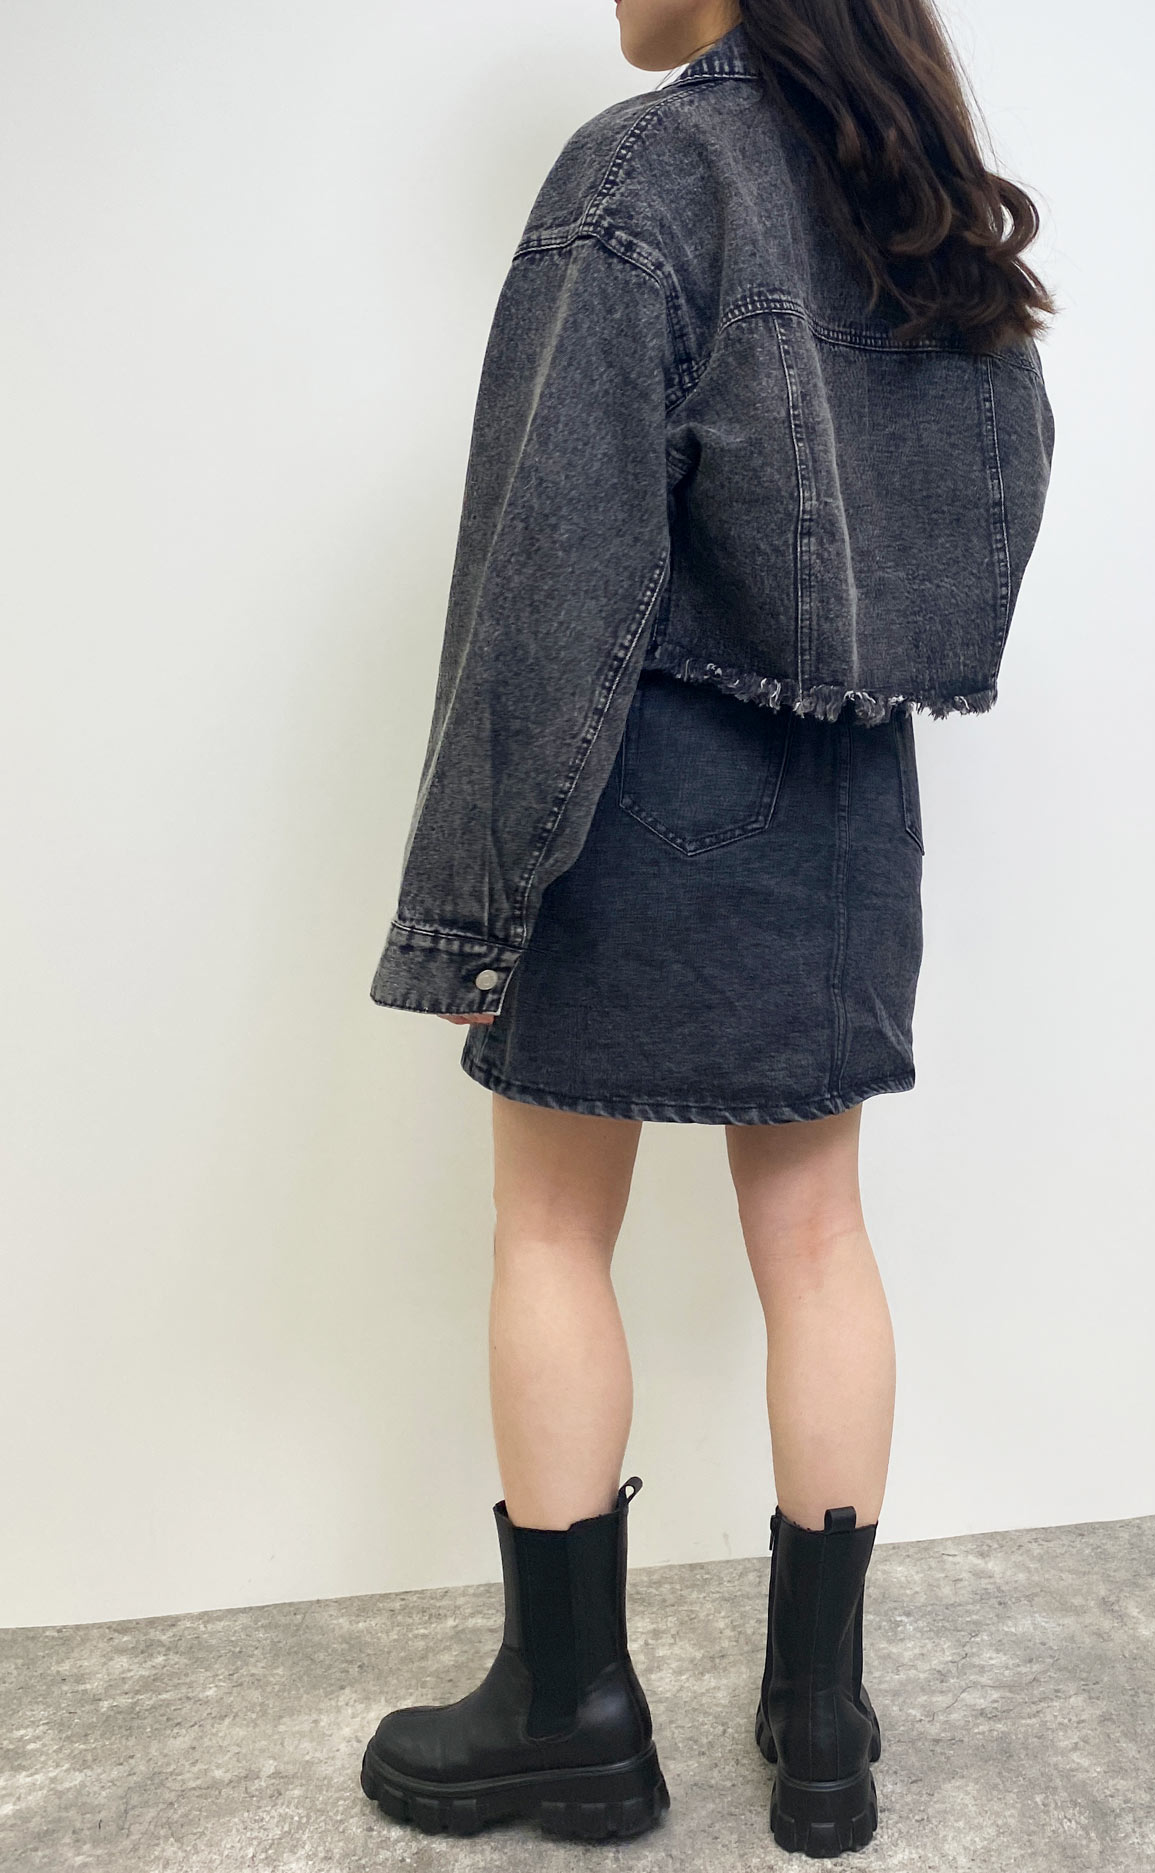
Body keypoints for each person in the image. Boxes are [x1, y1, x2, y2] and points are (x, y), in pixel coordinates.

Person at [360, 0, 1055, 1857]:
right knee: (817, 1239)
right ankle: (823, 1727)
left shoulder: (648, 170)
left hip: (634, 786)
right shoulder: (914, 202)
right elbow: (984, 526)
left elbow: (549, 562)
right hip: (847, 807)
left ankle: (570, 1716)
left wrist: (479, 896)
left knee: (548, 1227)